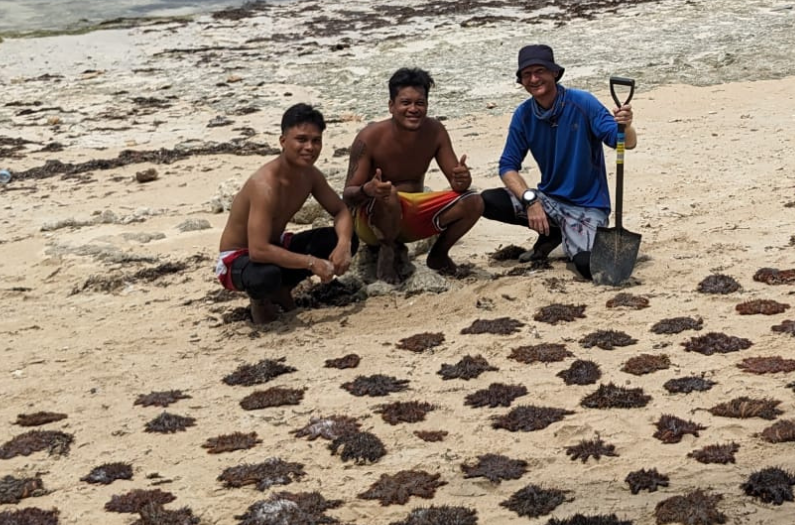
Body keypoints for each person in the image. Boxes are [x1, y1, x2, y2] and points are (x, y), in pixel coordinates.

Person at [487, 43, 637, 279]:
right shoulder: (523, 115)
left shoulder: (583, 102)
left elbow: (624, 143)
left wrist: (626, 126)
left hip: (587, 206)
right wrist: (531, 200)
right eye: (527, 74)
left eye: (540, 72)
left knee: (588, 266)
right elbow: (508, 166)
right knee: (487, 201)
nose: (534, 79)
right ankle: (553, 233)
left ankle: (566, 235)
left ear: (554, 73)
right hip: (549, 200)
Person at [213, 103, 352, 327]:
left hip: (275, 245)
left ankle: (282, 289)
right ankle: (261, 300)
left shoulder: (310, 175)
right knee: (265, 276)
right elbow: (257, 250)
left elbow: (341, 210)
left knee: (340, 237)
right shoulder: (265, 185)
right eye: (301, 139)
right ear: (283, 141)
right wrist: (311, 262)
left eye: (316, 141)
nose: (309, 147)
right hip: (240, 257)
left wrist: (343, 244)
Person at [342, 67, 484, 282]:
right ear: (391, 106)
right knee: (388, 193)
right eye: (406, 103)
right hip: (374, 223)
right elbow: (348, 195)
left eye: (420, 103)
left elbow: (458, 186)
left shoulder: (435, 131)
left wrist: (463, 179)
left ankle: (438, 255)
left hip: (413, 216)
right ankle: (387, 254)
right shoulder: (369, 137)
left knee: (475, 201)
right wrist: (367, 190)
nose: (413, 109)